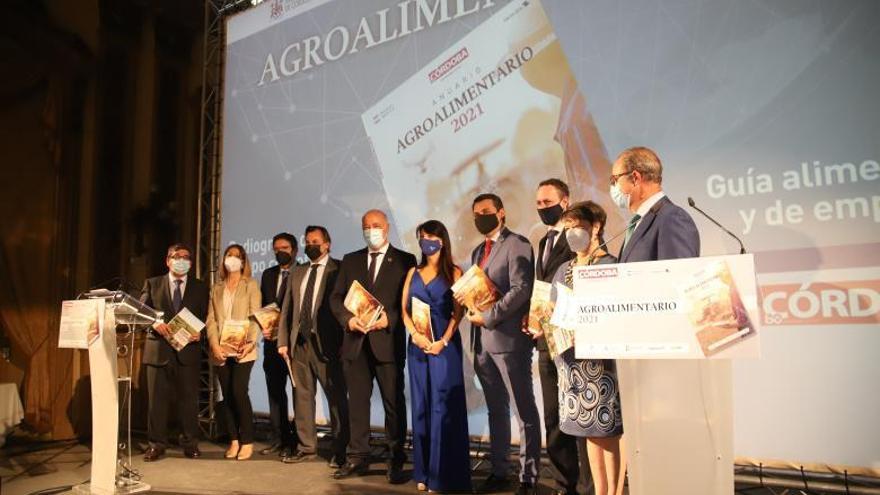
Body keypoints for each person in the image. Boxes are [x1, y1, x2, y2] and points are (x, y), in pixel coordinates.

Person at [329, 209, 417, 484]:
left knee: (393, 405)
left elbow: (410, 302)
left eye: (376, 225)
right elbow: (336, 298)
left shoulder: (405, 260)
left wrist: (388, 320)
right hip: (355, 344)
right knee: (357, 404)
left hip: (386, 344)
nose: (371, 230)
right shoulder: (351, 260)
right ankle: (358, 457)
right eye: (366, 226)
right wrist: (349, 320)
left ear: (387, 228)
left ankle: (395, 460)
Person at [461, 193, 541, 495]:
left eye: (486, 211)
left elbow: (522, 289)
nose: (480, 217)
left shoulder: (517, 244)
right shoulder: (476, 251)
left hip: (509, 341)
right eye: (476, 213)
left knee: (523, 411)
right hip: (481, 343)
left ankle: (529, 477)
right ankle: (499, 469)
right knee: (496, 409)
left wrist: (489, 316)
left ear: (501, 212)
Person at [550, 201, 623, 495]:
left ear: (596, 227)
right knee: (589, 434)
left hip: (599, 363)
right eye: (567, 228)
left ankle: (615, 492)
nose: (571, 234)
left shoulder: (610, 265)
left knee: (607, 432)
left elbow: (616, 311)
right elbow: (552, 308)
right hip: (571, 364)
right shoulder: (564, 268)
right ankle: (600, 490)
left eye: (577, 227)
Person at [400, 220, 471, 493]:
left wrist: (443, 340)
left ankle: (442, 475)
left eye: (430, 236)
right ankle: (423, 472)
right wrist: (415, 336)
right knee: (421, 406)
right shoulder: (412, 273)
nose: (426, 240)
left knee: (442, 408)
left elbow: (458, 312)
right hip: (417, 347)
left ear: (442, 239)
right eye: (422, 237)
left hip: (444, 348)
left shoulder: (454, 272)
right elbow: (404, 308)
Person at [531, 178, 591, 495]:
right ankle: (563, 483)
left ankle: (587, 486)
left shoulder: (578, 239)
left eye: (547, 201)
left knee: (580, 415)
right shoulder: (543, 242)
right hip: (545, 342)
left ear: (564, 202)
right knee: (554, 418)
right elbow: (543, 290)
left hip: (573, 342)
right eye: (538, 203)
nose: (542, 207)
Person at [277, 226, 349, 468]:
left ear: (327, 244)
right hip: (299, 344)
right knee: (302, 397)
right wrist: (283, 341)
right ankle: (306, 447)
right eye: (307, 242)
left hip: (329, 346)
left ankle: (341, 450)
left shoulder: (339, 269)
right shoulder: (298, 272)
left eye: (315, 241)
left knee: (337, 399)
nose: (310, 245)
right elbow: (287, 309)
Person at [139, 243, 210, 462]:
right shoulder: (153, 284)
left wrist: (202, 333)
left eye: (187, 257)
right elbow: (142, 313)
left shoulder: (200, 287)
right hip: (158, 352)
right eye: (177, 256)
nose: (182, 260)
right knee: (156, 402)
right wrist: (154, 323)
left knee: (188, 401)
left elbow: (209, 318)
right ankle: (156, 444)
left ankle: (190, 443)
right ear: (167, 260)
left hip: (188, 352)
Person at [206, 244, 261, 460]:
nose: (233, 259)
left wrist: (250, 341)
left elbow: (255, 315)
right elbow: (211, 319)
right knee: (227, 395)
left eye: (237, 256)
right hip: (220, 349)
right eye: (229, 255)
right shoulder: (216, 287)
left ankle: (247, 440)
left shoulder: (251, 285)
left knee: (239, 392)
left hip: (243, 349)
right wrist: (214, 344)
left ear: (243, 260)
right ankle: (234, 440)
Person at [610, 146, 700, 262]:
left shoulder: (672, 218)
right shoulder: (639, 222)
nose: (613, 186)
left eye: (615, 179)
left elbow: (679, 276)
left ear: (635, 178)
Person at [258, 232, 298, 457]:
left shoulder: (302, 272)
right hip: (271, 343)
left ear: (294, 250)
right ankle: (278, 438)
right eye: (276, 248)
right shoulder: (267, 274)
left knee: (297, 394)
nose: (280, 251)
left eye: (284, 247)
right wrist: (263, 324)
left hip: (293, 345)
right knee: (275, 392)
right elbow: (265, 306)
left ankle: (296, 442)